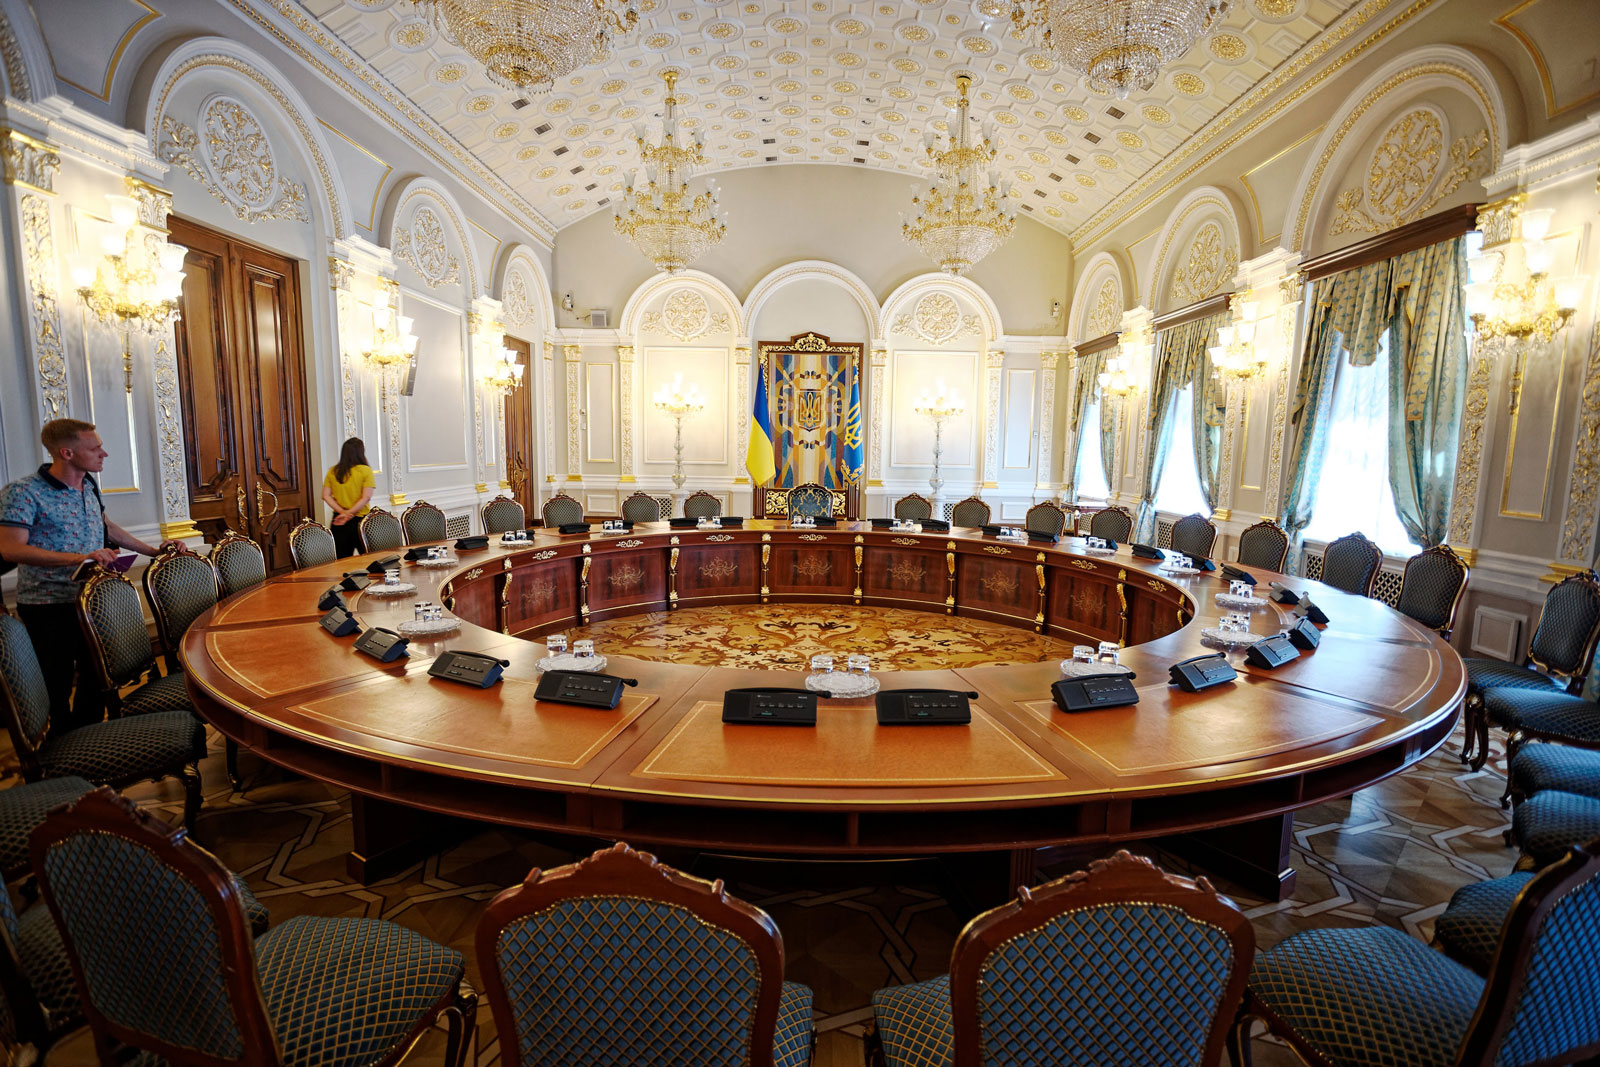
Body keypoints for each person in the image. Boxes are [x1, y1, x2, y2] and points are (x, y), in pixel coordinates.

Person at [0, 418, 184, 733]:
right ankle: (61, 746)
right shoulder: (24, 492)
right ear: (67, 452)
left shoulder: (88, 484)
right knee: (56, 683)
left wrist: (153, 550)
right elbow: (10, 549)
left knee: (97, 675)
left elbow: (106, 526)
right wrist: (79, 558)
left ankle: (90, 736)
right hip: (48, 604)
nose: (104, 453)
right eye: (95, 448)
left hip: (92, 600)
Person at [321, 437, 375, 558]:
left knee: (342, 561)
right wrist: (350, 513)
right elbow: (366, 497)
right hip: (361, 520)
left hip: (339, 520)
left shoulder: (333, 471)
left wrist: (343, 512)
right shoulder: (365, 471)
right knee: (369, 559)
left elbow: (325, 495)